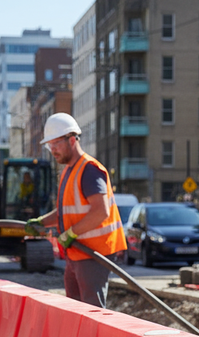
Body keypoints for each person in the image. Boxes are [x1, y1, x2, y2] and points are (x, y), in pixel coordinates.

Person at [26, 113, 126, 308]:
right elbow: (64, 212)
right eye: (49, 145)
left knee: (91, 311)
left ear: (72, 140)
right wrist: (41, 222)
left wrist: (71, 233)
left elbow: (101, 212)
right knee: (75, 308)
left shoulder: (89, 170)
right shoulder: (69, 171)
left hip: (92, 252)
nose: (52, 150)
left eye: (56, 144)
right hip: (76, 251)